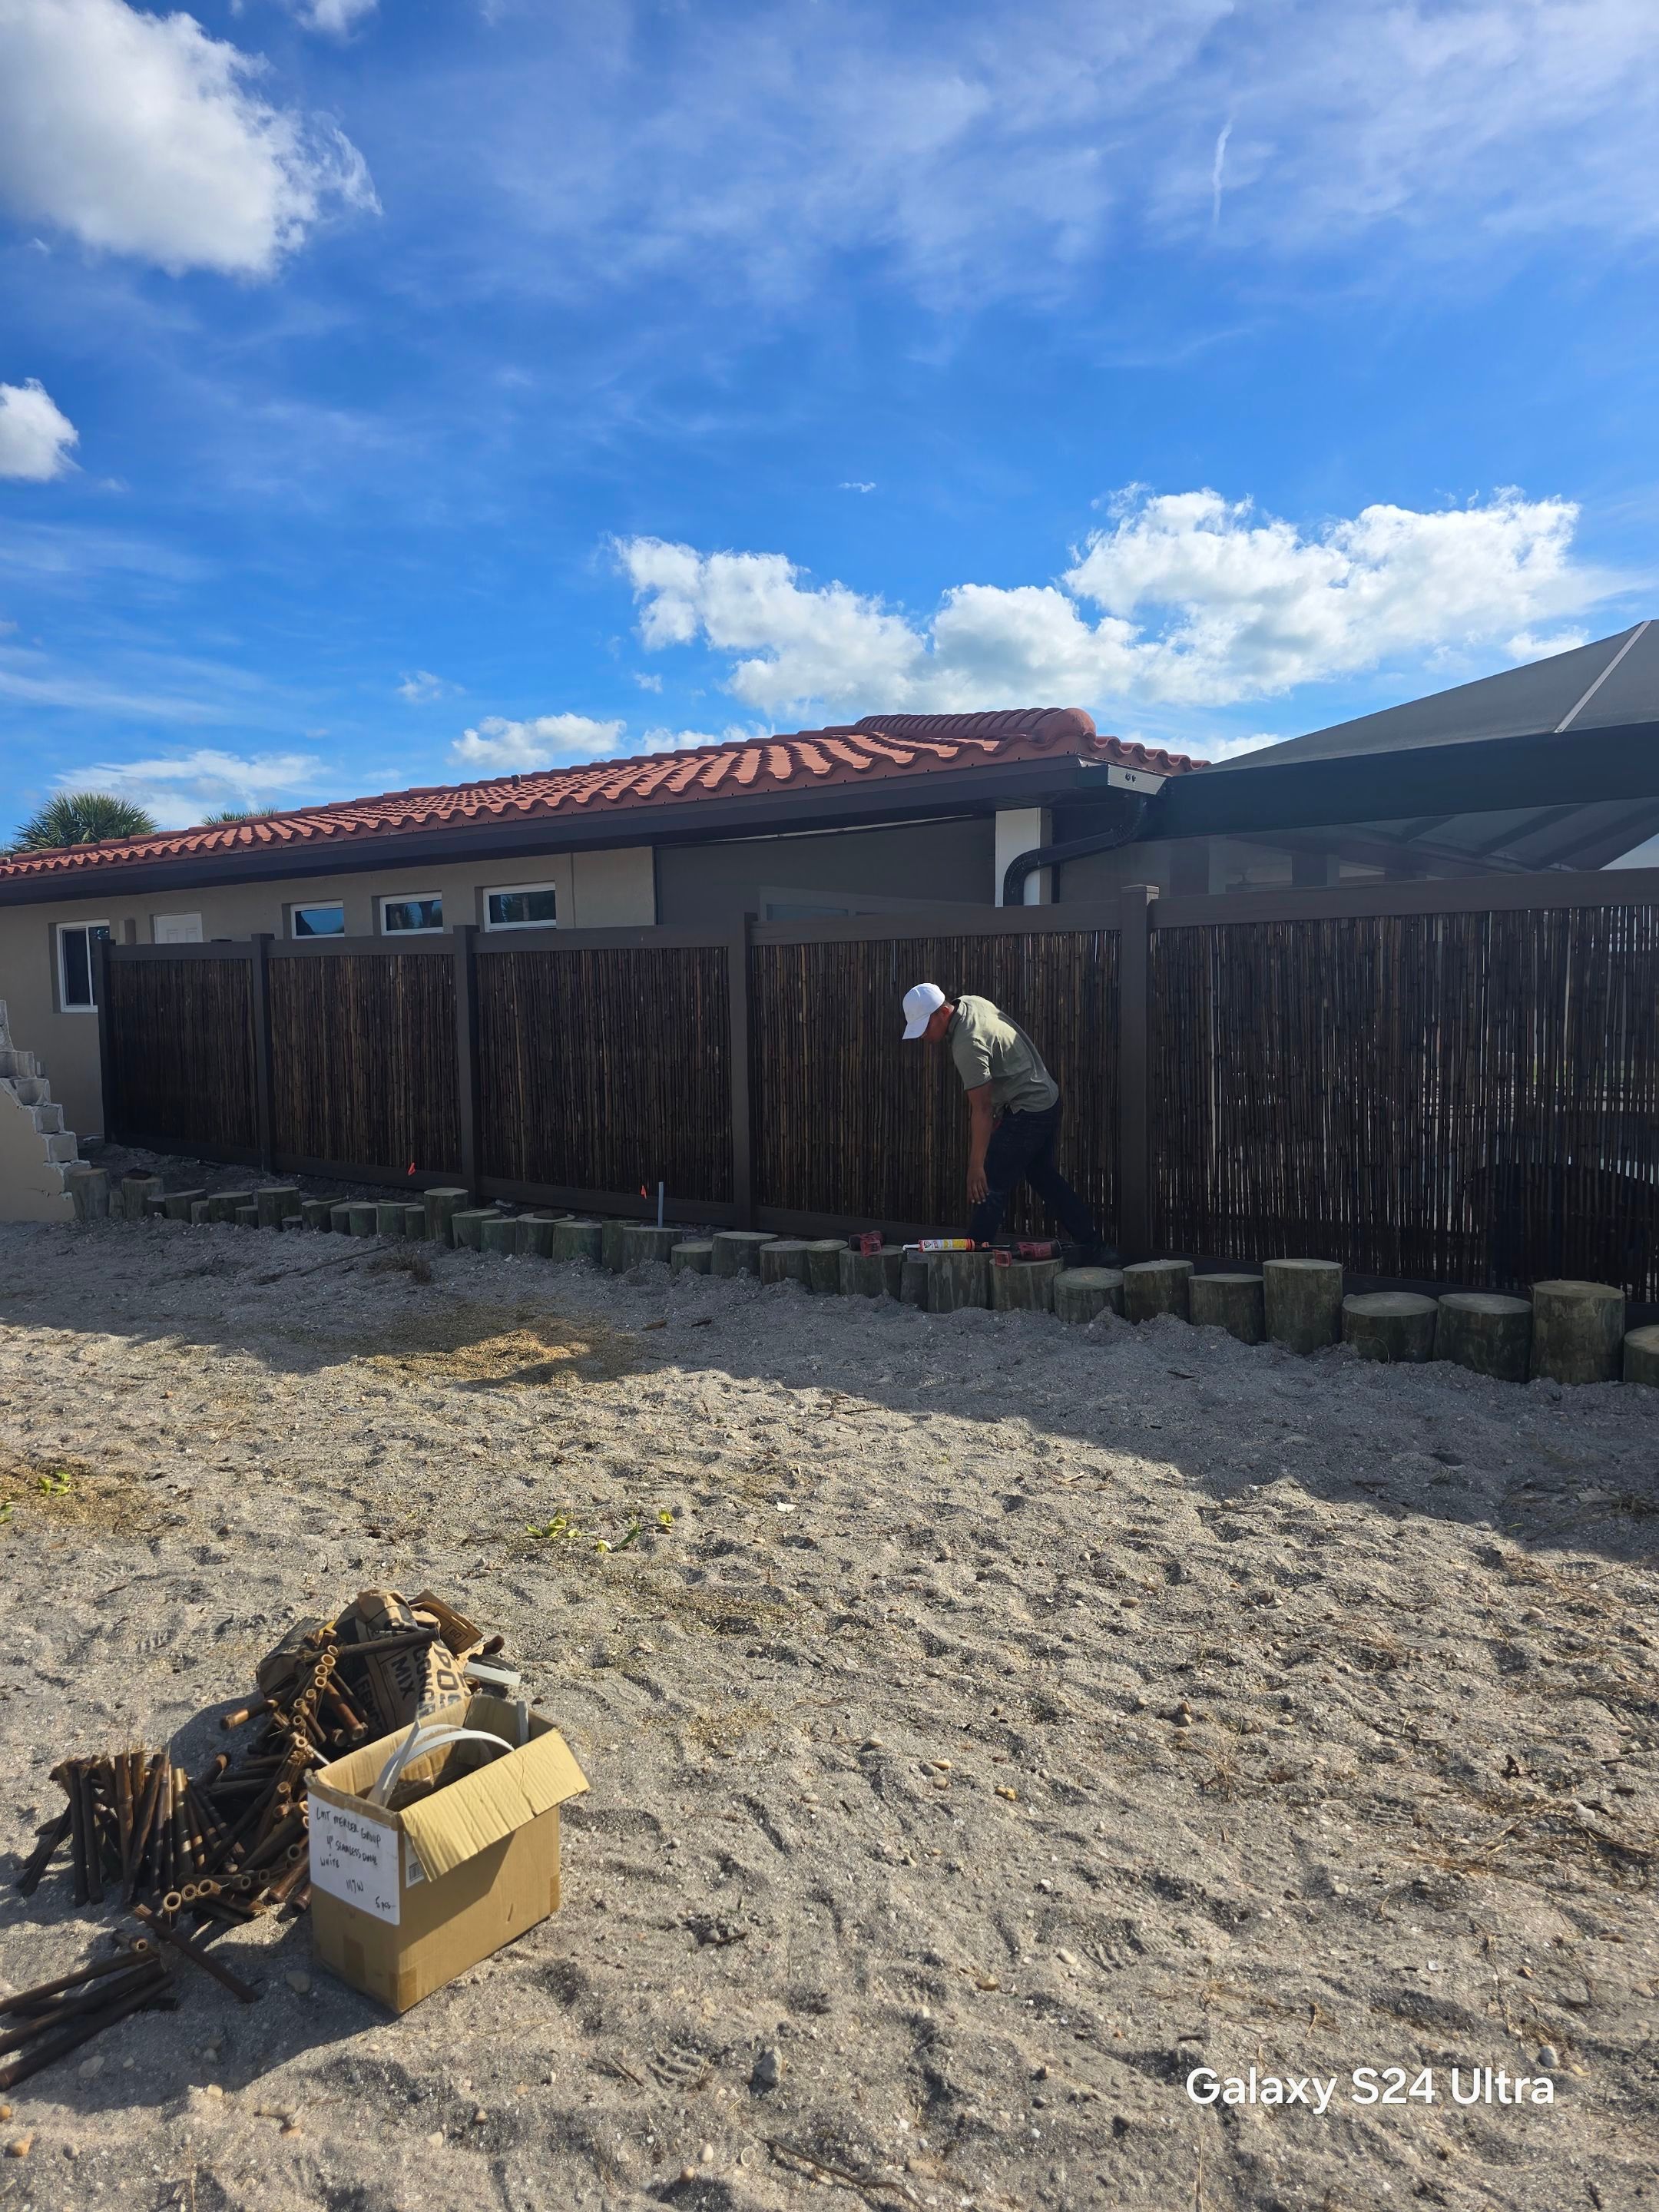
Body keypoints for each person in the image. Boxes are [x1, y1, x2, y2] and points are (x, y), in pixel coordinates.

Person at [901, 981, 1111, 1257]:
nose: (924, 1036)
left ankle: (972, 1264)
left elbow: (983, 1109)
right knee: (1043, 1176)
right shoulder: (970, 1002)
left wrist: (976, 1166)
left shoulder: (967, 1043)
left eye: (926, 1026)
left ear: (942, 1012)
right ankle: (1093, 1245)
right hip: (1044, 1097)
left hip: (1028, 1108)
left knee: (988, 1183)